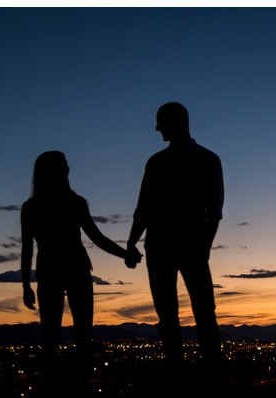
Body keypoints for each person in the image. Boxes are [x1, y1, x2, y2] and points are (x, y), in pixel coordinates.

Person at [125, 102, 225, 363]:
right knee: (194, 312)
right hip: (174, 247)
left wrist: (132, 242)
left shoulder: (173, 161)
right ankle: (196, 369)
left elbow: (143, 208)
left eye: (161, 121)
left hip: (169, 246)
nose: (156, 127)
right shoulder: (203, 159)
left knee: (186, 313)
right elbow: (213, 212)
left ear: (176, 122)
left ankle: (190, 370)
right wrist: (132, 242)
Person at [20, 151, 138, 359]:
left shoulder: (33, 207)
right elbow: (97, 238)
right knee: (74, 332)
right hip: (73, 268)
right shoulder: (73, 202)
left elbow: (28, 249)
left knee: (54, 333)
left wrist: (26, 285)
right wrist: (125, 254)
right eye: (64, 165)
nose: (68, 169)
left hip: (54, 269)